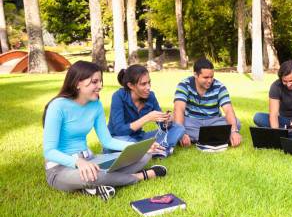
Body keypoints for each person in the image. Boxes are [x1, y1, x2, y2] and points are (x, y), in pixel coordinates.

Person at [43, 61, 167, 201]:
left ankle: (95, 186)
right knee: (93, 175)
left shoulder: (95, 105)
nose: (100, 86)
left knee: (144, 155)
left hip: (91, 160)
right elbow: (49, 151)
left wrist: (139, 147)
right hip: (60, 168)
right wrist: (78, 162)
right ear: (77, 83)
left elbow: (107, 141)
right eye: (94, 82)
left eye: (100, 81)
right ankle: (141, 176)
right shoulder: (57, 106)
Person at [107, 65, 185, 158]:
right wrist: (147, 118)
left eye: (149, 83)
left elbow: (162, 126)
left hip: (139, 137)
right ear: (130, 85)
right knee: (125, 141)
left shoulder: (150, 96)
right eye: (143, 84)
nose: (148, 87)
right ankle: (156, 149)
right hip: (119, 139)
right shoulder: (118, 96)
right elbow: (119, 130)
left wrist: (167, 120)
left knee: (178, 128)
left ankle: (152, 150)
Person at [174, 57, 242, 147]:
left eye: (211, 77)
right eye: (206, 77)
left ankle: (194, 137)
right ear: (195, 75)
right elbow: (179, 109)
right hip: (192, 121)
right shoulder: (184, 85)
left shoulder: (219, 87)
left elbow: (228, 110)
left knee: (236, 123)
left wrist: (234, 131)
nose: (209, 80)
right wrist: (181, 132)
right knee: (173, 121)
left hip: (213, 122)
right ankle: (217, 137)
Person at [253, 59, 292, 139]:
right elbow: (273, 114)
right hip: (283, 120)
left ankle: (287, 131)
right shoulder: (276, 86)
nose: (288, 84)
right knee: (258, 117)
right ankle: (290, 133)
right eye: (285, 81)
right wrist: (276, 133)